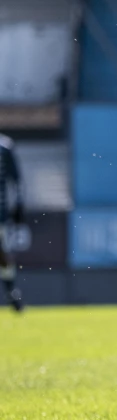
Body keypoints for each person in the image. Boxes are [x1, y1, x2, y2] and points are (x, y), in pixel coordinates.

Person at [0, 133, 25, 312]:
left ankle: (11, 293)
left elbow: (16, 181)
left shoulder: (5, 147)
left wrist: (18, 205)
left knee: (3, 254)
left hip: (0, 215)